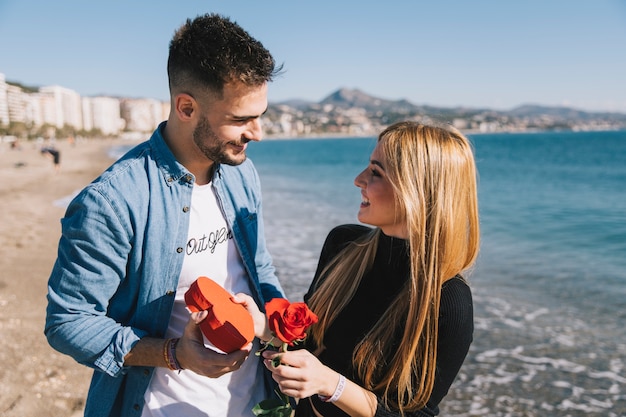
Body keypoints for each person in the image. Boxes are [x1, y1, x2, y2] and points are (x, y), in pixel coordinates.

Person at [45, 13, 284, 417]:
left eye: (259, 115)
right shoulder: (113, 201)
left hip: (254, 403)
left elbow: (258, 267)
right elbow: (67, 322)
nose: (257, 132)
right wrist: (174, 354)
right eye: (241, 119)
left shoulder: (243, 175)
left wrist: (279, 330)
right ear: (186, 107)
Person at [241, 121, 479, 416]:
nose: (358, 179)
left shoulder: (449, 301)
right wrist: (263, 327)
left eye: (376, 173)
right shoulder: (343, 244)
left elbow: (415, 413)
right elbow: (314, 343)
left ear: (417, 191)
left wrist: (331, 384)